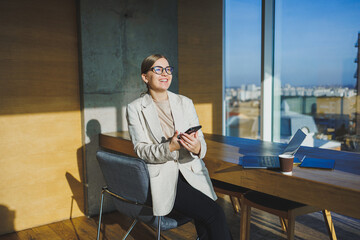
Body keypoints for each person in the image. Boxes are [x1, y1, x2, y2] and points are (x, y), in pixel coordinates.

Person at [126, 54, 233, 239]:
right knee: (214, 214)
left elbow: (202, 145)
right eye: (158, 69)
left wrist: (197, 146)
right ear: (145, 77)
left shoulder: (185, 102)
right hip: (163, 177)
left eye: (168, 69)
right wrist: (170, 147)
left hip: (191, 172)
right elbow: (141, 151)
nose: (165, 74)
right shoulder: (135, 108)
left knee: (207, 220)